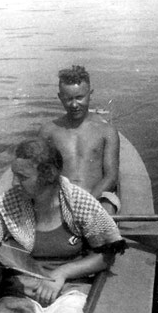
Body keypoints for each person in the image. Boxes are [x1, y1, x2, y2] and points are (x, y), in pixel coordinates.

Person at [0, 138, 127, 313]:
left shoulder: (79, 203)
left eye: (22, 177)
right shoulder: (8, 202)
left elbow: (106, 255)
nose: (14, 182)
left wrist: (62, 273)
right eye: (14, 175)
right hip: (19, 294)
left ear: (48, 175)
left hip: (67, 295)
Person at [39, 65, 120, 214]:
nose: (74, 104)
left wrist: (86, 202)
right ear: (60, 97)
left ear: (90, 94)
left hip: (98, 197)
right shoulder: (49, 131)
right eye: (68, 99)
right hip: (61, 196)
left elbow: (111, 177)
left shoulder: (106, 131)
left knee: (107, 210)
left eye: (79, 97)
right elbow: (41, 170)